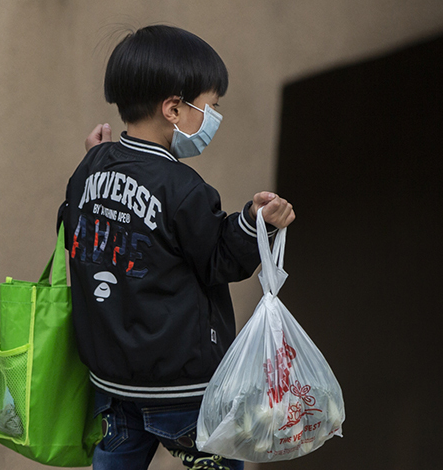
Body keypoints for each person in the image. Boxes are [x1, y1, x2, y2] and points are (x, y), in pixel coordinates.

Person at [61, 25, 297, 470]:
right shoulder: (184, 188)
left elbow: (77, 225)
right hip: (182, 391)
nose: (213, 118)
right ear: (173, 109)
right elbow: (219, 259)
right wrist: (255, 223)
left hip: (112, 383)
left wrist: (92, 161)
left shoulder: (90, 167)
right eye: (210, 107)